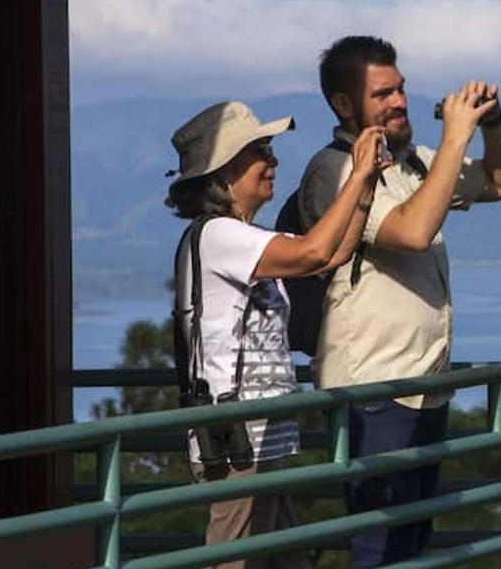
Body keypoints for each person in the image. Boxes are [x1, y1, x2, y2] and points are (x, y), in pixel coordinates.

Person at [295, 36, 501, 567]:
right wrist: (455, 137)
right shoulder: (337, 172)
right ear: (344, 105)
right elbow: (413, 232)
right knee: (380, 545)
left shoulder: (415, 164)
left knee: (412, 545)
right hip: (372, 392)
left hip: (424, 389)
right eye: (382, 94)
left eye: (400, 89)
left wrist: (491, 124)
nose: (398, 101)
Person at [165, 99, 390, 569]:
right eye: (261, 151)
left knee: (282, 559)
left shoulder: (246, 238)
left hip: (263, 437)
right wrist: (355, 176)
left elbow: (331, 254)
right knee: (233, 559)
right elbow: (312, 251)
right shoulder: (219, 236)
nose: (274, 161)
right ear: (223, 173)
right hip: (234, 440)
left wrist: (366, 181)